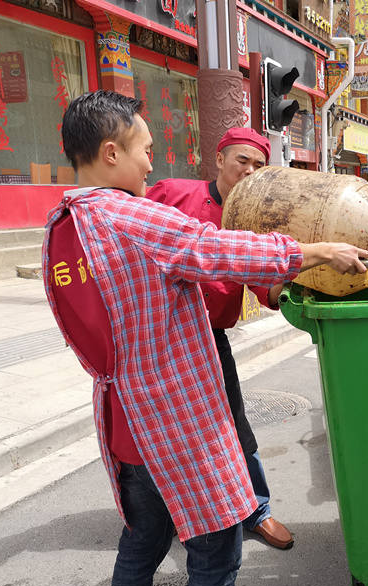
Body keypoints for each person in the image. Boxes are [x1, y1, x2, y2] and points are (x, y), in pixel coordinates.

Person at [42, 90, 368, 586]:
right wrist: (318, 250)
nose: (151, 162)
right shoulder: (131, 216)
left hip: (124, 425)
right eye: (145, 149)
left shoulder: (59, 229)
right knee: (216, 557)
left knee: (140, 545)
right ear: (112, 153)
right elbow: (211, 249)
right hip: (177, 422)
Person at [145, 127, 292, 550]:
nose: (248, 170)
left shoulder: (256, 220)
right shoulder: (173, 193)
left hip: (211, 338)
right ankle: (171, 511)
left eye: (258, 164)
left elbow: (267, 285)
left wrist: (295, 283)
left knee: (233, 424)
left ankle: (255, 511)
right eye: (241, 160)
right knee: (162, 428)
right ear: (219, 160)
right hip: (161, 334)